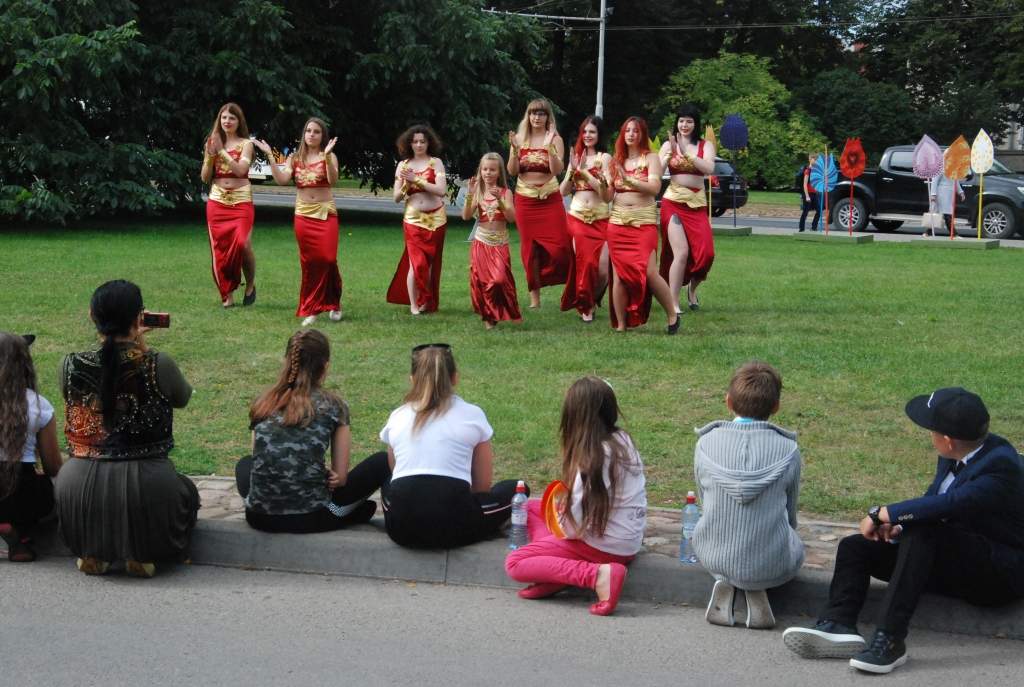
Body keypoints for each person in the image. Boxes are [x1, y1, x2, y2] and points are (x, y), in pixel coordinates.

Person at [783, 387, 1024, 674]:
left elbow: (951, 504)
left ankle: (890, 640)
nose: (929, 434)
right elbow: (932, 502)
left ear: (947, 440)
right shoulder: (956, 453)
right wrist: (897, 526)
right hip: (949, 558)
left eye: (932, 430)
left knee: (925, 532)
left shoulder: (1001, 466)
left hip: (996, 574)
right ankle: (838, 624)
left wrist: (883, 512)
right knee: (856, 547)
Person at [55, 280, 200, 577]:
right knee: (187, 493)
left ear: (91, 315)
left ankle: (93, 551)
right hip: (148, 483)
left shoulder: (69, 365)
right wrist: (143, 348)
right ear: (139, 318)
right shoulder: (158, 363)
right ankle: (142, 553)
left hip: (77, 483)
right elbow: (183, 398)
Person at [343, 344, 527, 549]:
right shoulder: (472, 414)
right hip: (455, 530)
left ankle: (338, 508)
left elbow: (395, 472)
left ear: (412, 379)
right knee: (518, 489)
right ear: (455, 377)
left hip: (401, 530)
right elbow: (481, 487)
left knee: (391, 478)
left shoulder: (398, 415)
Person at [505, 376, 646, 616]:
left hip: (604, 546)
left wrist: (563, 513)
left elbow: (570, 529)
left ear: (574, 418)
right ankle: (557, 573)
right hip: (626, 539)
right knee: (529, 507)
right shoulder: (621, 439)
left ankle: (597, 575)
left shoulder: (592, 461)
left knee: (515, 563)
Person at [692, 362, 803, 630]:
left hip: (713, 553)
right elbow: (791, 511)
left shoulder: (705, 443)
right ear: (775, 406)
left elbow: (703, 500)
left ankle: (729, 580)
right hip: (771, 561)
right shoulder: (789, 449)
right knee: (794, 542)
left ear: (728, 402)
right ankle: (756, 584)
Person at [235, 330, 377, 532]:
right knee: (380, 461)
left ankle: (354, 512)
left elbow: (258, 457)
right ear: (325, 366)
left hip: (258, 517)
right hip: (310, 517)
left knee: (244, 464)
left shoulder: (262, 402)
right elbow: (341, 478)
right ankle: (355, 512)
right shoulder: (335, 406)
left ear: (287, 361)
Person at [254, 118, 343, 326]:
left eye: (317, 132)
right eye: (309, 131)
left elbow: (332, 180)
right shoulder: (295, 158)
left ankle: (333, 301)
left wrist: (328, 157)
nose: (312, 134)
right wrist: (270, 156)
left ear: (323, 136)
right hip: (303, 216)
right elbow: (282, 180)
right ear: (304, 134)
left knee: (328, 259)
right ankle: (313, 308)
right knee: (310, 263)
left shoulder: (329, 156)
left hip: (325, 214)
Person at [607, 116, 680, 334]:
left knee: (649, 273)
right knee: (619, 276)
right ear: (622, 134)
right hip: (617, 223)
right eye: (627, 130)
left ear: (642, 134)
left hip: (643, 223)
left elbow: (654, 188)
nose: (631, 134)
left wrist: (628, 180)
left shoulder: (651, 158)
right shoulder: (615, 161)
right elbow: (607, 195)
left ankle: (672, 315)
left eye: (636, 131)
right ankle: (621, 324)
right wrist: (594, 181)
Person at [0, 333, 63, 562]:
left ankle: (8, 528)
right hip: (24, 495)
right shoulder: (39, 405)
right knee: (39, 491)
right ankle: (20, 536)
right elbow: (53, 466)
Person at [507, 98, 572, 309]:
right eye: (533, 113)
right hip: (525, 200)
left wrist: (549, 147)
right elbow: (512, 171)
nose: (537, 117)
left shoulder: (555, 139)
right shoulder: (519, 138)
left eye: (541, 113)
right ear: (528, 116)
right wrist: (515, 151)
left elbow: (557, 170)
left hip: (550, 199)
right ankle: (535, 299)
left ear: (547, 117)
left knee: (562, 247)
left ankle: (565, 285)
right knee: (530, 250)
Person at [658, 105, 716, 312]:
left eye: (689, 121)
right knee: (680, 253)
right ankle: (672, 302)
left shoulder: (705, 145)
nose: (684, 125)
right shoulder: (667, 144)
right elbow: (656, 174)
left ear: (695, 124)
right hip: (673, 202)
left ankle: (692, 287)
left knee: (707, 254)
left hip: (697, 204)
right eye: (681, 121)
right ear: (677, 122)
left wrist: (687, 155)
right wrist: (667, 156)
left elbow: (710, 168)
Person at [386, 124, 448, 315]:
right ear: (409, 144)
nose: (419, 145)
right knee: (416, 263)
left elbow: (441, 190)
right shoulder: (403, 166)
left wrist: (418, 180)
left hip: (436, 219)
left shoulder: (435, 163)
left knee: (428, 264)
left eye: (423, 141)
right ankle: (414, 305)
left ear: (429, 143)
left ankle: (425, 302)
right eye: (415, 142)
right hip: (413, 220)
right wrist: (406, 184)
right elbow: (396, 198)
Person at [201, 102, 257, 308]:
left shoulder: (246, 144)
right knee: (220, 251)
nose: (227, 121)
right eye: (224, 117)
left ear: (238, 121)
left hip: (241, 200)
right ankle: (227, 294)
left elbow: (241, 170)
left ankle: (250, 284)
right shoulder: (212, 142)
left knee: (242, 244)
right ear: (219, 120)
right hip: (217, 201)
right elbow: (205, 177)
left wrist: (222, 151)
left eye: (232, 118)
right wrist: (210, 155)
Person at [560, 116, 612, 323]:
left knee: (602, 270)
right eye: (585, 132)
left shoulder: (605, 158)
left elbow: (607, 195)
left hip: (601, 218)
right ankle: (585, 304)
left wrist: (586, 173)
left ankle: (591, 297)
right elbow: (563, 191)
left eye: (592, 132)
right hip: (578, 218)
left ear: (599, 135)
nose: (588, 135)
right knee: (587, 264)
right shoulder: (575, 156)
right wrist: (572, 171)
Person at [461, 153, 522, 329]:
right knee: (483, 281)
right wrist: (470, 195)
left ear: (499, 172)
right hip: (481, 241)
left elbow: (511, 219)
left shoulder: (506, 192)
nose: (488, 173)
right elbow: (465, 216)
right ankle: (489, 318)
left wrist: (501, 202)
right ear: (480, 171)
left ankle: (496, 311)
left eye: (492, 169)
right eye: (485, 169)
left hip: (500, 243)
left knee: (499, 280)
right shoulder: (478, 192)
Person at [798, 153, 821, 233]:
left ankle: (814, 227)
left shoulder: (816, 171)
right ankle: (801, 229)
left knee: (819, 210)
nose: (816, 161)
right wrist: (807, 196)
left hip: (814, 194)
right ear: (810, 159)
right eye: (814, 159)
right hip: (808, 194)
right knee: (805, 211)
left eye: (816, 160)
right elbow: (804, 184)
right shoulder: (808, 170)